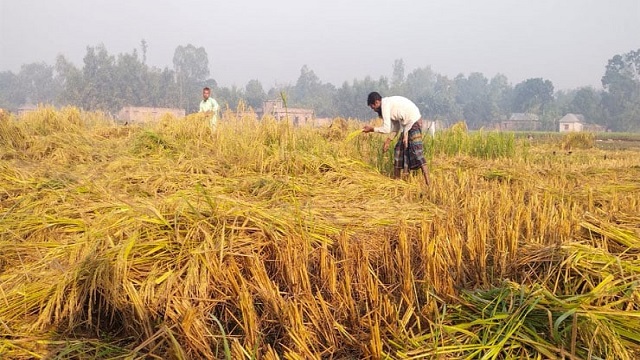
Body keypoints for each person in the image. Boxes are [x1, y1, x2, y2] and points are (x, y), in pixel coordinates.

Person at [362, 92, 431, 186]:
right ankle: (396, 183)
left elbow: (386, 128)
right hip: (406, 125)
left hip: (413, 122)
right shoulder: (388, 105)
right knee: (398, 150)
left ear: (377, 102)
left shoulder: (385, 106)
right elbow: (396, 126)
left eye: (372, 107)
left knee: (417, 152)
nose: (373, 110)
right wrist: (388, 141)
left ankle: (429, 184)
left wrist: (372, 129)